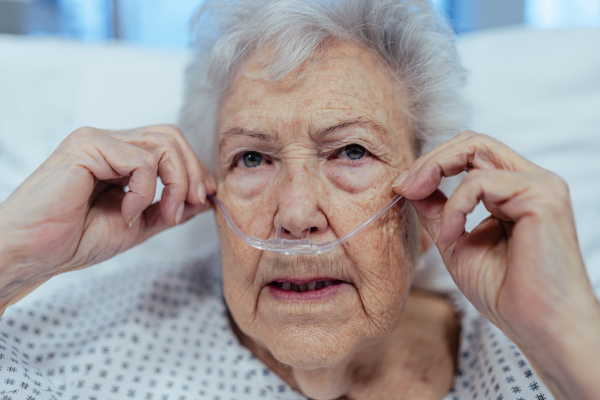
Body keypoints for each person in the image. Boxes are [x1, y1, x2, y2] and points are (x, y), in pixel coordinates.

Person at [0, 0, 598, 399]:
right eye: (252, 158)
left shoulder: (543, 349)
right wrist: (12, 254)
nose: (294, 216)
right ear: (211, 189)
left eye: (351, 152)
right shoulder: (92, 346)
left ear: (430, 189)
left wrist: (562, 336)